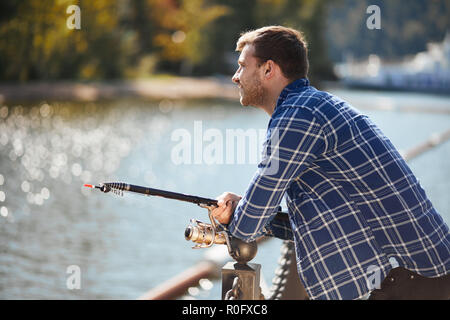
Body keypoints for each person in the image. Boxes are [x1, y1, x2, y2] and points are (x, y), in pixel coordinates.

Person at [211, 26, 450, 300]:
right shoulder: (316, 106)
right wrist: (249, 211)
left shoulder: (297, 116)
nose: (235, 76)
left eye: (242, 66)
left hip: (406, 280)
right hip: (418, 275)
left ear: (269, 70)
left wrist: (238, 215)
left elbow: (247, 226)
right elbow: (315, 221)